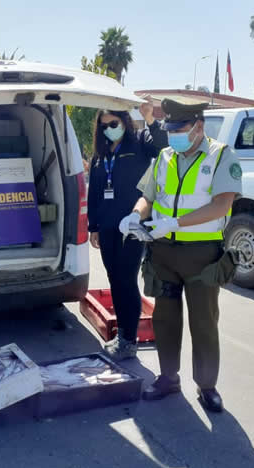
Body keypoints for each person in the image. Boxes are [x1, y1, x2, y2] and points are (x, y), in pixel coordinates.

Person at [119, 99, 243, 413]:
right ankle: (168, 377)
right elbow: (148, 196)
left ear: (199, 127)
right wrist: (135, 215)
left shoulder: (221, 156)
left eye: (179, 129)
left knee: (203, 320)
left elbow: (222, 205)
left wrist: (175, 223)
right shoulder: (164, 157)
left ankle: (207, 386)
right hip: (163, 251)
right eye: (170, 129)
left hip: (202, 254)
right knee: (165, 318)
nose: (173, 135)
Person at [87, 102, 167, 361]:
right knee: (114, 279)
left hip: (132, 225)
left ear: (124, 121)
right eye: (104, 126)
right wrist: (93, 226)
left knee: (126, 279)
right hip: (107, 227)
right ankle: (122, 334)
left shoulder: (139, 142)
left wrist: (150, 119)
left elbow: (162, 146)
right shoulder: (100, 154)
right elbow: (94, 191)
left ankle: (129, 341)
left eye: (114, 124)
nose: (109, 129)